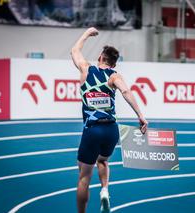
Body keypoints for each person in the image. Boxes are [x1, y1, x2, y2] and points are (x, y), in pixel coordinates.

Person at [71, 27, 148, 213]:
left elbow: (74, 51)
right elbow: (126, 92)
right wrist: (141, 116)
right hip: (112, 130)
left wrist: (87, 33)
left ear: (100, 57)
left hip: (92, 129)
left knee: (84, 177)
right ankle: (105, 190)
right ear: (113, 64)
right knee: (103, 160)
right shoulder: (114, 76)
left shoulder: (86, 69)